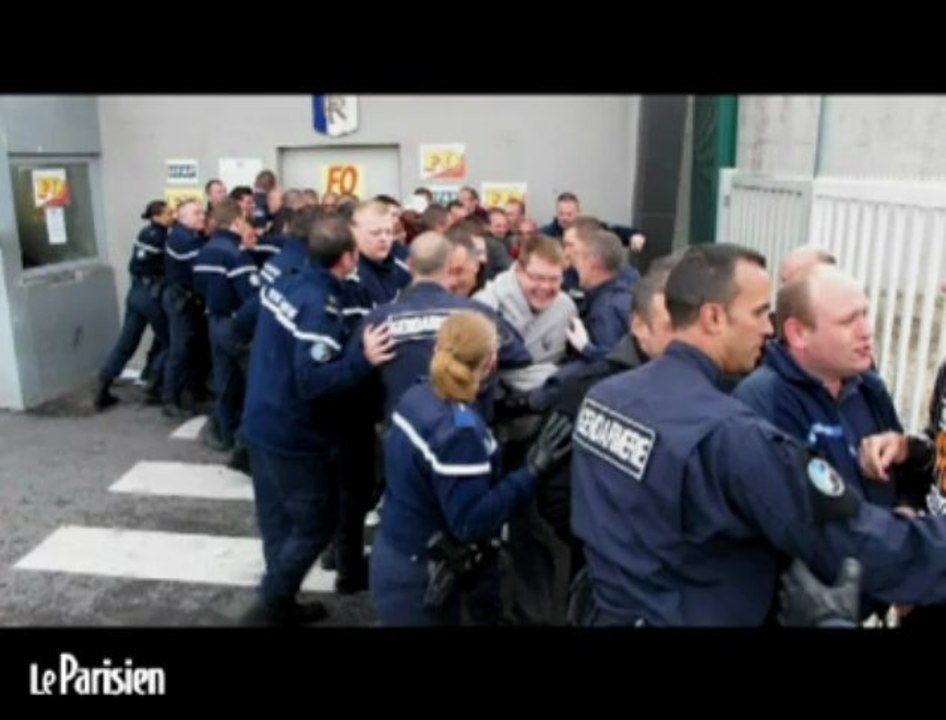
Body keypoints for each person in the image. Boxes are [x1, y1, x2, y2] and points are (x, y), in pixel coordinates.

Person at [570, 242, 946, 626]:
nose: (769, 328)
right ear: (714, 317)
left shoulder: (604, 398)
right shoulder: (730, 433)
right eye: (759, 313)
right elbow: (845, 536)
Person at [369, 311, 572, 626]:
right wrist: (531, 472)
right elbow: (471, 522)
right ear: (491, 363)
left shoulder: (416, 395)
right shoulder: (459, 431)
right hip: (423, 578)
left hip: (397, 556)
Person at [95, 200, 174, 409]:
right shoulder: (162, 237)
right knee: (170, 342)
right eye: (168, 213)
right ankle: (153, 385)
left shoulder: (145, 233)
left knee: (127, 342)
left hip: (137, 292)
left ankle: (104, 384)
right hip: (152, 295)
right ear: (156, 216)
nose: (172, 216)